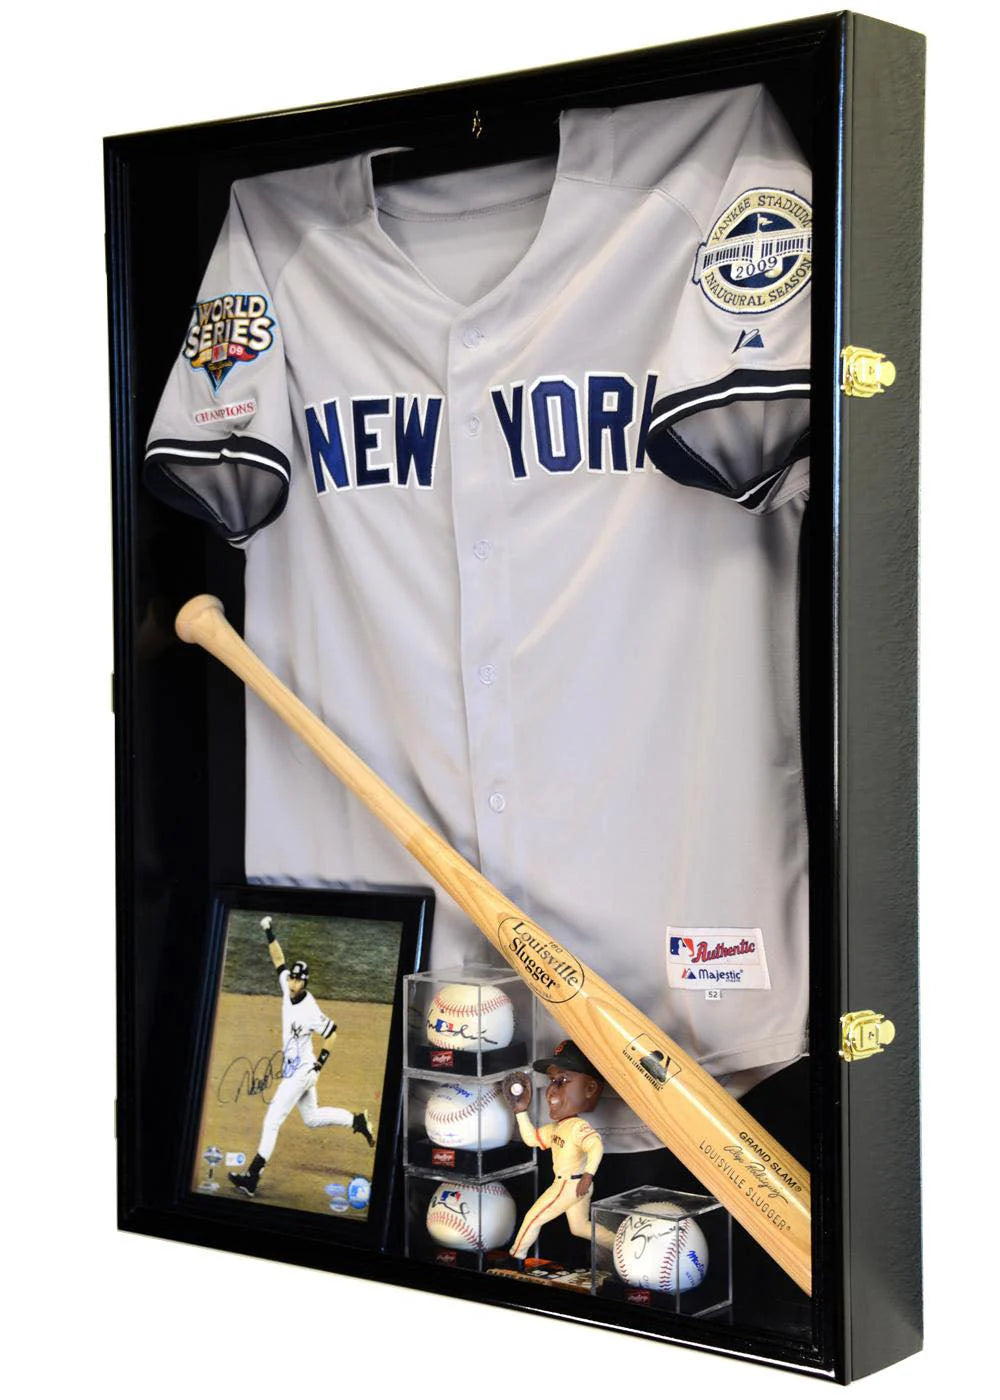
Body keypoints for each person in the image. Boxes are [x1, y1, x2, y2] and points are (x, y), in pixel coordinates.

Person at [228, 916, 375, 1197]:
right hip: (298, 1070)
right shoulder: (286, 985)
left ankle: (253, 1176)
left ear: (305, 984)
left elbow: (332, 1033)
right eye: (292, 977)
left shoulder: (310, 1008)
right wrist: (269, 932)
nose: (292, 982)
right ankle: (356, 1121)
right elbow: (278, 959)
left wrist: (319, 1064)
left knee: (271, 1121)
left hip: (303, 1072)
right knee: (311, 1118)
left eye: (297, 979)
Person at [501, 1041, 615, 1265]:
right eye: (552, 1081)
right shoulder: (559, 1127)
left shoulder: (578, 1127)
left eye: (561, 1081)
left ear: (590, 1088)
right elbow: (532, 1139)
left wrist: (588, 1174)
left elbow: (595, 1146)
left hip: (571, 1184)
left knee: (534, 1217)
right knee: (580, 1227)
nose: (551, 1091)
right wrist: (520, 1112)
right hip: (571, 1183)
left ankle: (516, 1257)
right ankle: (621, 1243)